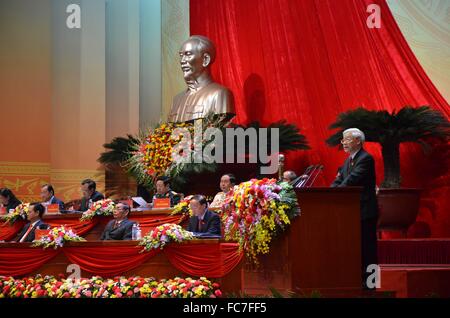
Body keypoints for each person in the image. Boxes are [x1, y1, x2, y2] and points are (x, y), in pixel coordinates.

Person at [331, 128, 378, 290]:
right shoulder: (348, 161)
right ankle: (358, 282)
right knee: (356, 248)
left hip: (365, 211)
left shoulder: (366, 158)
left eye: (347, 139)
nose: (343, 142)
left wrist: (337, 191)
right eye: (343, 140)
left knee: (368, 249)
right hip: (352, 211)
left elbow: (352, 180)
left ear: (358, 141)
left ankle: (372, 284)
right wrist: (329, 193)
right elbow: (339, 180)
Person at [168, 35, 235, 123]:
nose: (182, 61)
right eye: (181, 55)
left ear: (205, 59)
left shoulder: (219, 94)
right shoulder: (176, 100)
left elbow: (219, 131)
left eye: (188, 55)